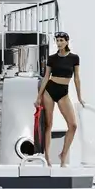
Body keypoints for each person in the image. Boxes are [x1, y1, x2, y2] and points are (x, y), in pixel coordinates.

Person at [34, 31, 84, 166]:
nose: (59, 43)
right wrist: (38, 97)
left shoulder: (74, 58)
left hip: (63, 92)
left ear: (67, 41)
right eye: (57, 40)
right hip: (49, 91)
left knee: (73, 126)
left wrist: (79, 97)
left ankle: (63, 155)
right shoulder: (52, 58)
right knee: (48, 124)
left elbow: (77, 78)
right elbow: (46, 77)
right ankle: (47, 158)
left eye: (62, 40)